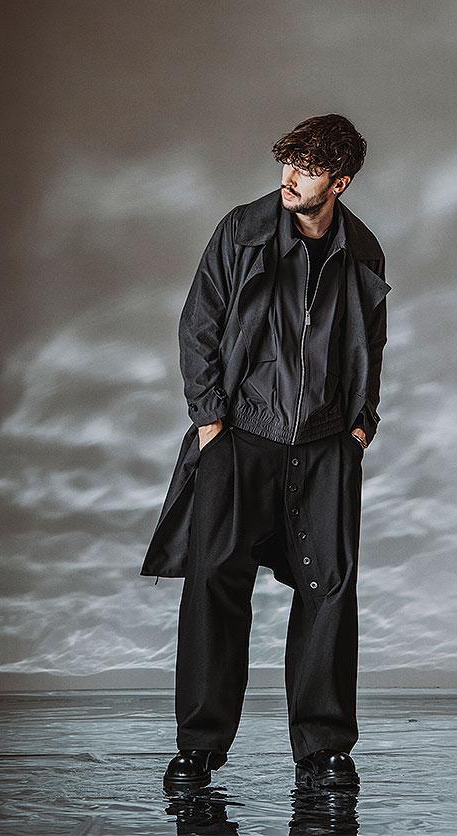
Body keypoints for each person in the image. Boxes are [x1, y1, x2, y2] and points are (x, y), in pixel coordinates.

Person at [142, 114, 392, 790]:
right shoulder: (242, 232)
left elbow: (370, 343)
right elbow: (199, 323)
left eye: (308, 169)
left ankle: (324, 751)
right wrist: (210, 421)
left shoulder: (363, 251)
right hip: (242, 435)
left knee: (329, 592)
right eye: (289, 162)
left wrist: (360, 426)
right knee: (214, 585)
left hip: (325, 442)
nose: (291, 177)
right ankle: (198, 748)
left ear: (339, 183)